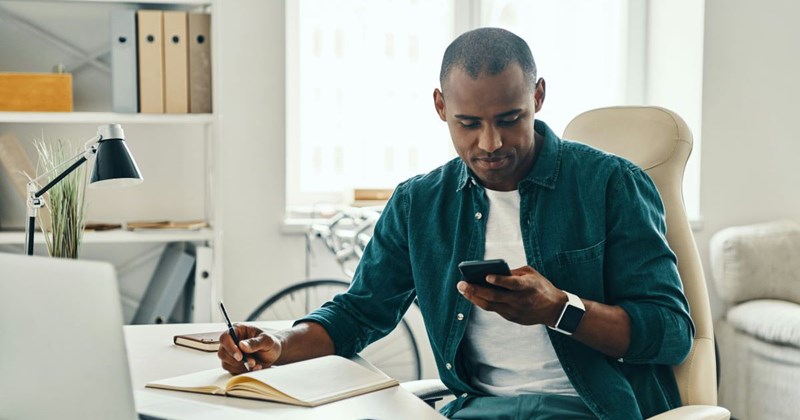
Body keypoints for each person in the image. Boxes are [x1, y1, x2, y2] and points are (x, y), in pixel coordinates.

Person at [218, 27, 694, 419]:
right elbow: (359, 313)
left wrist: (559, 308)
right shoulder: (419, 203)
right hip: (476, 410)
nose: (490, 143)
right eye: (468, 123)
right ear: (441, 107)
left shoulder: (610, 185)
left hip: (593, 410)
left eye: (510, 119)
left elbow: (671, 333)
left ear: (539, 96)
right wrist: (280, 342)